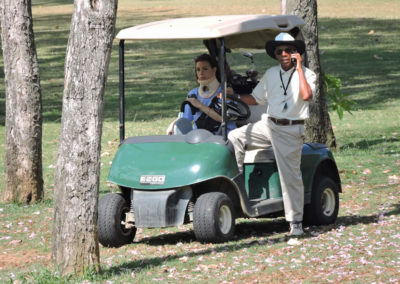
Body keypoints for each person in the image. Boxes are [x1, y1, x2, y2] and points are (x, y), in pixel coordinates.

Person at [228, 33, 316, 237]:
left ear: (296, 52)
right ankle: (239, 189)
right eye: (279, 51)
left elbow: (307, 95)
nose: (284, 54)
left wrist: (299, 68)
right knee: (235, 137)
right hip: (269, 124)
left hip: (290, 129)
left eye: (289, 50)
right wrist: (233, 96)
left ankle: (295, 223)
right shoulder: (271, 73)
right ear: (275, 55)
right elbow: (256, 99)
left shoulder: (307, 74)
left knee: (290, 177)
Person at [167, 53, 236, 135]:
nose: (201, 73)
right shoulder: (193, 94)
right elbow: (186, 119)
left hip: (223, 137)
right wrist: (174, 123)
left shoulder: (225, 92)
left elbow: (224, 119)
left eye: (205, 69)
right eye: (198, 70)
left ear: (214, 70)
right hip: (199, 138)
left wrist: (200, 105)